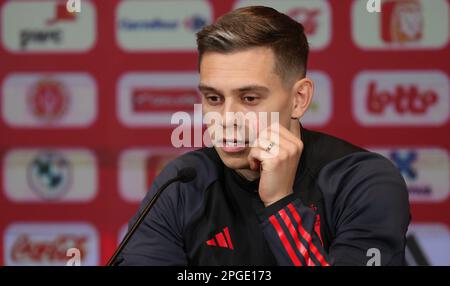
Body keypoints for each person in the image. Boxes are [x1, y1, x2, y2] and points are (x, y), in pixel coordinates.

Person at [117, 6, 410, 266]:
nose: (227, 119)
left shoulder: (364, 181)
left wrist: (280, 202)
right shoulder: (183, 181)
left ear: (299, 98)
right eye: (214, 99)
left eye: (250, 98)